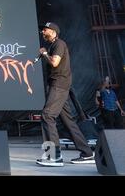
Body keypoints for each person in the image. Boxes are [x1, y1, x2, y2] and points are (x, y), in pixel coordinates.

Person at [36, 22, 95, 167]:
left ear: (54, 32)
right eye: (42, 30)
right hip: (60, 85)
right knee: (69, 121)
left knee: (47, 115)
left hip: (59, 85)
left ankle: (53, 156)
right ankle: (87, 153)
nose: (43, 32)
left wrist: (44, 54)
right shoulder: (53, 46)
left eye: (45, 30)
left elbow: (55, 63)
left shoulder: (59, 44)